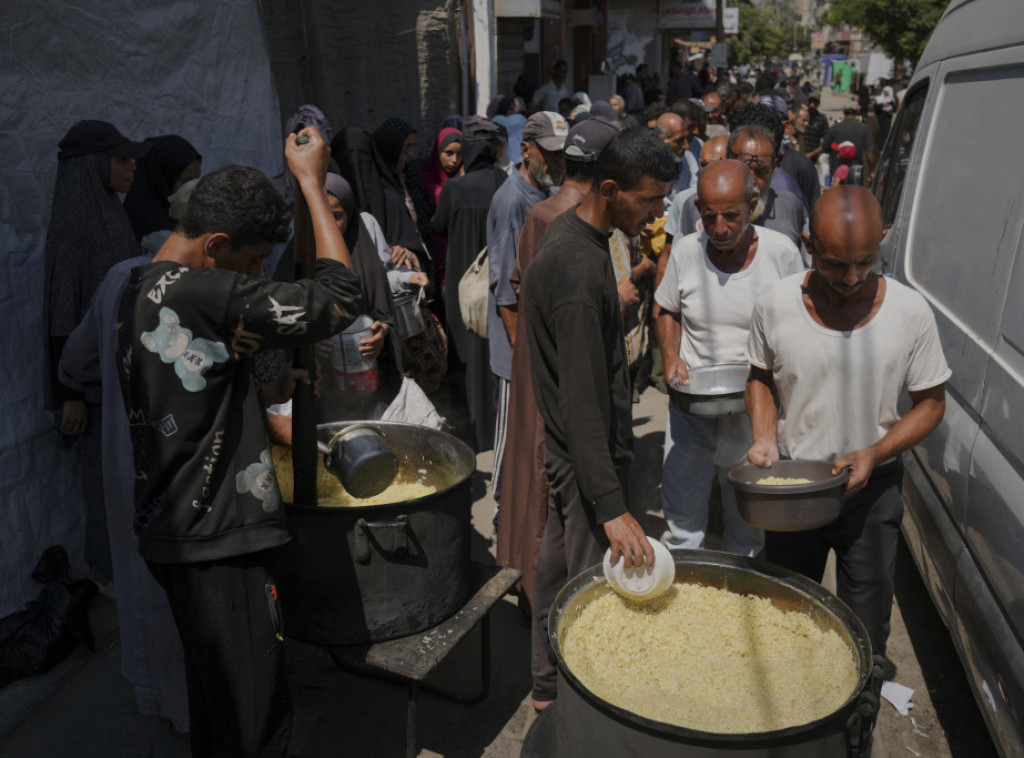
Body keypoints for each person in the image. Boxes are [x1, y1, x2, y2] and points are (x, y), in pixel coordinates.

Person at [115, 127, 362, 758]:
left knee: (222, 709)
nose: (254, 277)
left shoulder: (139, 286)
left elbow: (204, 373)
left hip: (175, 529)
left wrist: (257, 383)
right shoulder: (205, 292)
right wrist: (310, 182)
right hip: (218, 540)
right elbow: (339, 300)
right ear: (216, 243)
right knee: (256, 719)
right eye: (252, 264)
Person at [745, 186, 949, 663]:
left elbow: (931, 404)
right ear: (808, 243)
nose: (853, 277)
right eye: (836, 264)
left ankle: (856, 728)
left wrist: (875, 452)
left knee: (864, 631)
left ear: (881, 241)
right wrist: (763, 436)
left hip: (872, 492)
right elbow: (760, 376)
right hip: (795, 489)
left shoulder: (911, 312)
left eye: (866, 261)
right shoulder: (775, 303)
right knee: (785, 614)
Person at [523, 127, 676, 711]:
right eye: (649, 201)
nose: (658, 213)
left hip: (576, 456)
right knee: (590, 593)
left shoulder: (589, 239)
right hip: (583, 458)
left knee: (557, 568)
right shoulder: (574, 269)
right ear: (610, 188)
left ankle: (544, 688)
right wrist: (611, 505)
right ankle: (577, 706)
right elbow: (581, 400)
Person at [496, 117, 618, 614]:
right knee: (550, 493)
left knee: (536, 484)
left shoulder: (549, 214)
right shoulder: (560, 221)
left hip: (540, 366)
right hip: (554, 374)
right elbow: (521, 297)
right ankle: (549, 608)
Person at [656, 160, 804, 556]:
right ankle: (682, 580)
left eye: (731, 216)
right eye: (709, 216)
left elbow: (800, 327)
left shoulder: (782, 255)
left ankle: (743, 587)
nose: (719, 228)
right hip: (691, 402)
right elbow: (667, 311)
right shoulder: (687, 252)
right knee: (683, 510)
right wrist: (671, 356)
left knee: (747, 514)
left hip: (755, 408)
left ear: (752, 205)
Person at [43, 119, 152, 586]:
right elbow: (60, 314)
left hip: (120, 377)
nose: (131, 168)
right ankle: (110, 579)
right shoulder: (73, 224)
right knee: (104, 486)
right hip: (90, 388)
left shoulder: (108, 211)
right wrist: (68, 391)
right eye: (122, 159)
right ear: (93, 166)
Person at [486, 111, 568, 504]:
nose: (557, 163)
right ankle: (504, 517)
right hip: (515, 353)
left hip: (537, 346)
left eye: (562, 155)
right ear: (525, 149)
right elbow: (504, 290)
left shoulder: (546, 193)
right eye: (549, 154)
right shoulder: (511, 200)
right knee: (510, 442)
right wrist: (522, 354)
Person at [431, 118, 508, 450]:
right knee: (494, 356)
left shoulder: (455, 189)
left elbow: (439, 226)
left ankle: (470, 435)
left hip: (462, 286)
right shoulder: (505, 183)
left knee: (464, 356)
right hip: (497, 284)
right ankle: (497, 430)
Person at [371, 118, 434, 268]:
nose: (410, 154)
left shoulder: (406, 177)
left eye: (412, 146)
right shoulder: (377, 189)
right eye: (405, 147)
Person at [123, 135, 202, 250]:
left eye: (197, 179)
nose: (193, 187)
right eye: (185, 181)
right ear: (161, 179)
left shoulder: (175, 212)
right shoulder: (152, 228)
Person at [418, 126, 463, 291]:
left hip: (458, 252)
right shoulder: (424, 179)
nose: (454, 160)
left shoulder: (465, 178)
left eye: (460, 154)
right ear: (438, 152)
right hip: (434, 253)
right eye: (449, 153)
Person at [823, 105, 875, 185]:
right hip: (856, 173)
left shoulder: (835, 128)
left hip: (837, 171)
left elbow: (825, 148)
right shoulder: (864, 128)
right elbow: (869, 152)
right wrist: (872, 171)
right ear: (857, 112)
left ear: (843, 112)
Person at [801, 93, 831, 185]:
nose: (812, 105)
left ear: (818, 104)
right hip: (798, 157)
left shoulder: (822, 119)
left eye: (815, 102)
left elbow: (826, 142)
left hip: (812, 160)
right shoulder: (802, 115)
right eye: (811, 102)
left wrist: (811, 154)